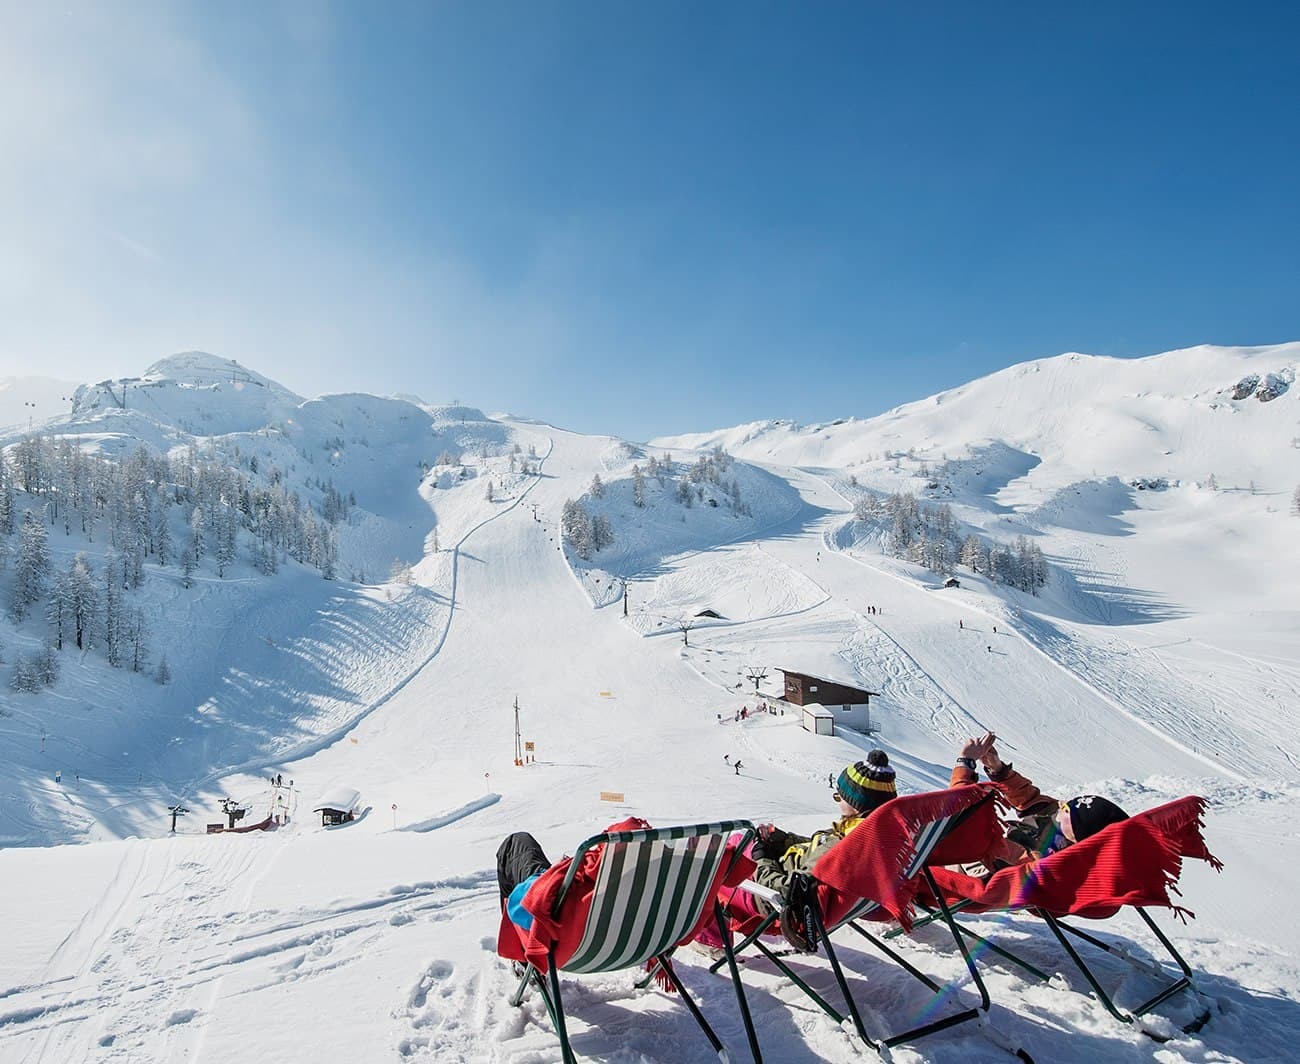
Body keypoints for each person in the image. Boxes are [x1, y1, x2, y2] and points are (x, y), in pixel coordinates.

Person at [952, 732, 1128, 866]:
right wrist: (998, 769)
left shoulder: (1033, 862)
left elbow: (961, 825)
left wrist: (965, 764)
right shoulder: (1058, 835)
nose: (1061, 805)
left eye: (1067, 810)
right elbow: (1031, 801)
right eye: (1066, 804)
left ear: (1075, 837)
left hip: (946, 869)